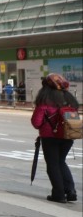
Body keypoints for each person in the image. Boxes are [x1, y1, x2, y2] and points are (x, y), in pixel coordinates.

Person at [30, 73, 79, 204]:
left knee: (52, 165)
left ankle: (59, 194)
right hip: (68, 136)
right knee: (61, 162)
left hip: (50, 137)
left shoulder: (44, 102)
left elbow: (36, 123)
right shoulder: (70, 100)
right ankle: (71, 191)